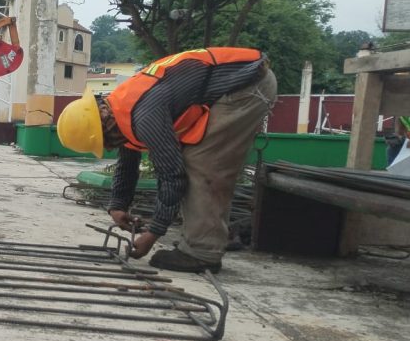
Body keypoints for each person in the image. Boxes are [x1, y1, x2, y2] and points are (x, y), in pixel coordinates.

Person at [57, 47, 277, 273]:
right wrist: (118, 205)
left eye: (104, 144)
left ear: (103, 130)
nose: (109, 147)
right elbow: (128, 160)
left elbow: (172, 174)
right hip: (239, 80)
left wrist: (154, 232)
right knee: (193, 159)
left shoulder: (144, 115)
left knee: (201, 163)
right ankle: (201, 237)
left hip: (247, 85)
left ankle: (202, 252)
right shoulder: (120, 109)